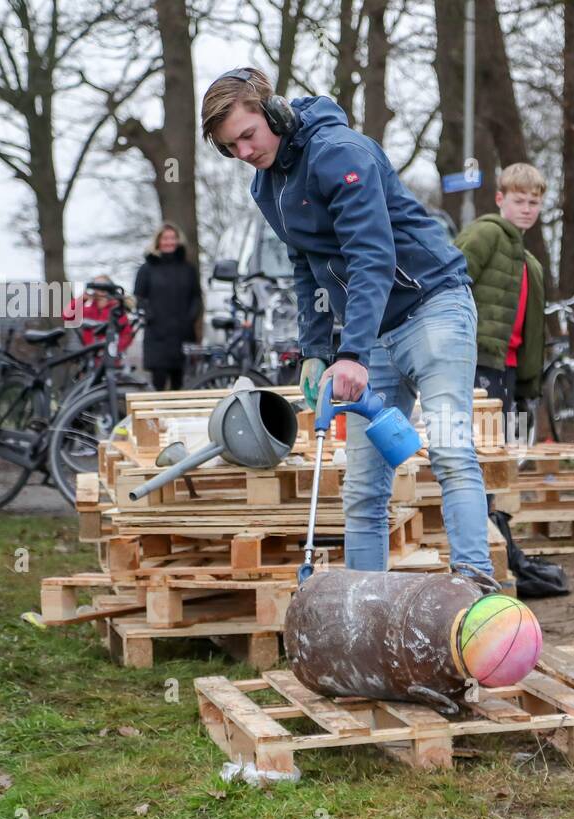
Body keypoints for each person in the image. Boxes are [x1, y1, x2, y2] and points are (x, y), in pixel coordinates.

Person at [200, 67, 493, 579]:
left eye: (247, 135)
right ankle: (365, 608)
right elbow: (305, 266)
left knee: (449, 450)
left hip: (433, 305)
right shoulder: (268, 188)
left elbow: (371, 255)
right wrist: (315, 351)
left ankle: (476, 588)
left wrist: (350, 352)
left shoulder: (340, 153)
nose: (244, 152)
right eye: (231, 148)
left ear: (274, 114)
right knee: (363, 483)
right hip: (372, 331)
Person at [454, 162, 547, 424]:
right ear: (500, 199)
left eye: (533, 202)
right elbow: (448, 283)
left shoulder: (526, 258)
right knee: (480, 441)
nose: (527, 209)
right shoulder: (486, 233)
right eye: (519, 201)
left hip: (509, 365)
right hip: (477, 359)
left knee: (500, 443)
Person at [134, 223, 201, 391]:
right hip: (157, 336)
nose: (169, 242)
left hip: (183, 334)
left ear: (178, 241)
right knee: (158, 385)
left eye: (172, 238)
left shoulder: (188, 269)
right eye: (165, 238)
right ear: (158, 241)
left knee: (182, 384)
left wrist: (191, 317)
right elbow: (139, 298)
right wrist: (149, 316)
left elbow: (196, 296)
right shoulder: (146, 269)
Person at [61, 275, 135, 354]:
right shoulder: (88, 311)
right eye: (95, 285)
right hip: (89, 356)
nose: (99, 289)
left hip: (109, 358)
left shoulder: (117, 312)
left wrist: (112, 349)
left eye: (102, 285)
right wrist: (81, 299)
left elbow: (127, 336)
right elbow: (67, 315)